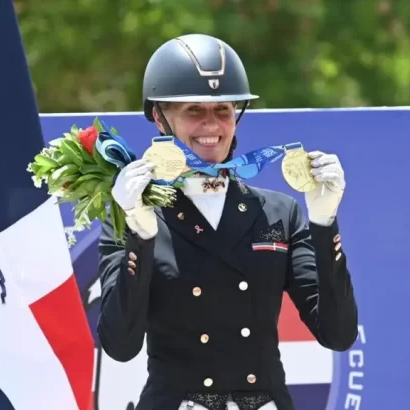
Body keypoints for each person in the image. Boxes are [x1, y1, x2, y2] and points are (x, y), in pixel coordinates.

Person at [96, 33, 358, 410]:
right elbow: (120, 345)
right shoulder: (132, 212)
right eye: (193, 110)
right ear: (159, 116)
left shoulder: (279, 212)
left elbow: (338, 333)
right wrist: (140, 234)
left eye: (223, 110)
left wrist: (324, 222)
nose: (211, 125)